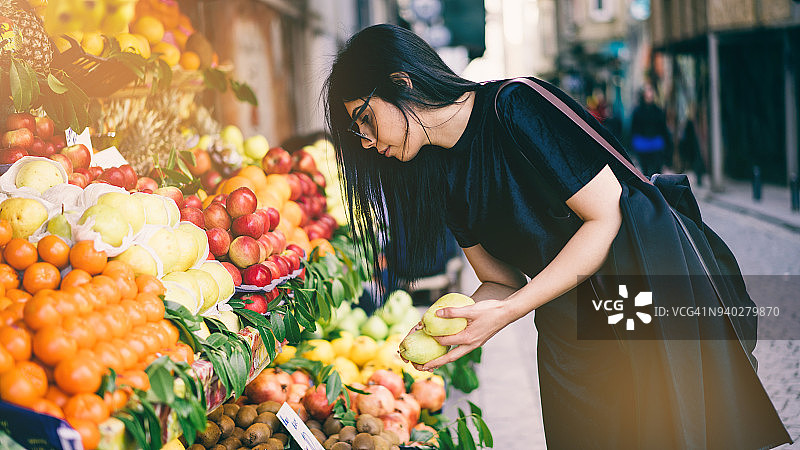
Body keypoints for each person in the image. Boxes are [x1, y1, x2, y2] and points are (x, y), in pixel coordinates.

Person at [323, 24, 790, 449]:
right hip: (567, 332)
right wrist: (460, 328)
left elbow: (605, 219)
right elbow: (501, 280)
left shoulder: (515, 105)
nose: (366, 141)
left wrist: (507, 312)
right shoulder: (441, 176)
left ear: (401, 82)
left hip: (636, 299)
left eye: (364, 118)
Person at [630, 84, 672, 177]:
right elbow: (634, 129)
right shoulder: (637, 111)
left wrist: (667, 145)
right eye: (647, 92)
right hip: (642, 145)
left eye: (650, 92)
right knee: (645, 172)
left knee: (656, 171)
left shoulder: (658, 111)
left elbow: (663, 128)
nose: (649, 95)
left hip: (656, 144)